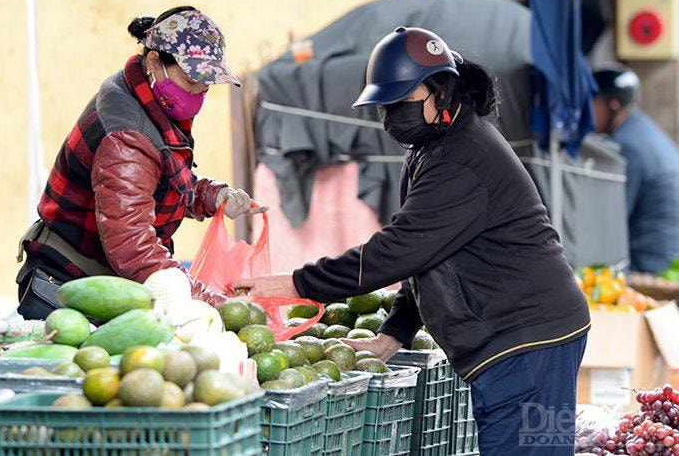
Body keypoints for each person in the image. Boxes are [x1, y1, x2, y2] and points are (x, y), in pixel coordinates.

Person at [237, 28, 590, 454]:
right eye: (384, 106)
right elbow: (424, 257)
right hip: (522, 341)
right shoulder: (433, 147)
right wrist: (394, 334)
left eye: (401, 102)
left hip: (532, 343)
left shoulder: (463, 158)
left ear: (441, 92)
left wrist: (292, 284)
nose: (390, 117)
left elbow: (396, 251)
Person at [16, 6, 263, 318]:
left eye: (206, 84)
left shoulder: (145, 98)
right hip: (73, 285)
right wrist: (209, 302)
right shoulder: (126, 135)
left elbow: (155, 178)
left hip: (105, 277)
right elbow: (132, 247)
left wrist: (211, 195)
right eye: (192, 80)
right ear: (155, 62)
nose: (199, 92)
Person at [592, 64, 679, 273]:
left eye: (591, 102)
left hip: (650, 266)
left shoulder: (627, 146)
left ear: (613, 104)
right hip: (668, 257)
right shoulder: (641, 129)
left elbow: (610, 219)